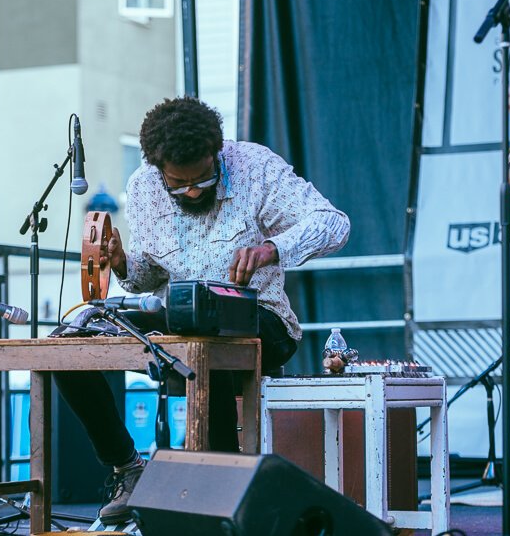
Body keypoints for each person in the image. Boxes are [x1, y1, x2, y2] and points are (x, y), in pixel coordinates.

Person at [53, 96, 350, 521]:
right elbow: (147, 276)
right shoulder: (143, 187)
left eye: (203, 178)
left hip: (261, 320)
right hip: (179, 320)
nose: (192, 190)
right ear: (158, 168)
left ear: (216, 152)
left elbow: (333, 223)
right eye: (179, 183)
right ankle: (127, 467)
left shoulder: (254, 167)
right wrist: (121, 264)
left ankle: (219, 497)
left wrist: (270, 249)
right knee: (69, 342)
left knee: (207, 338)